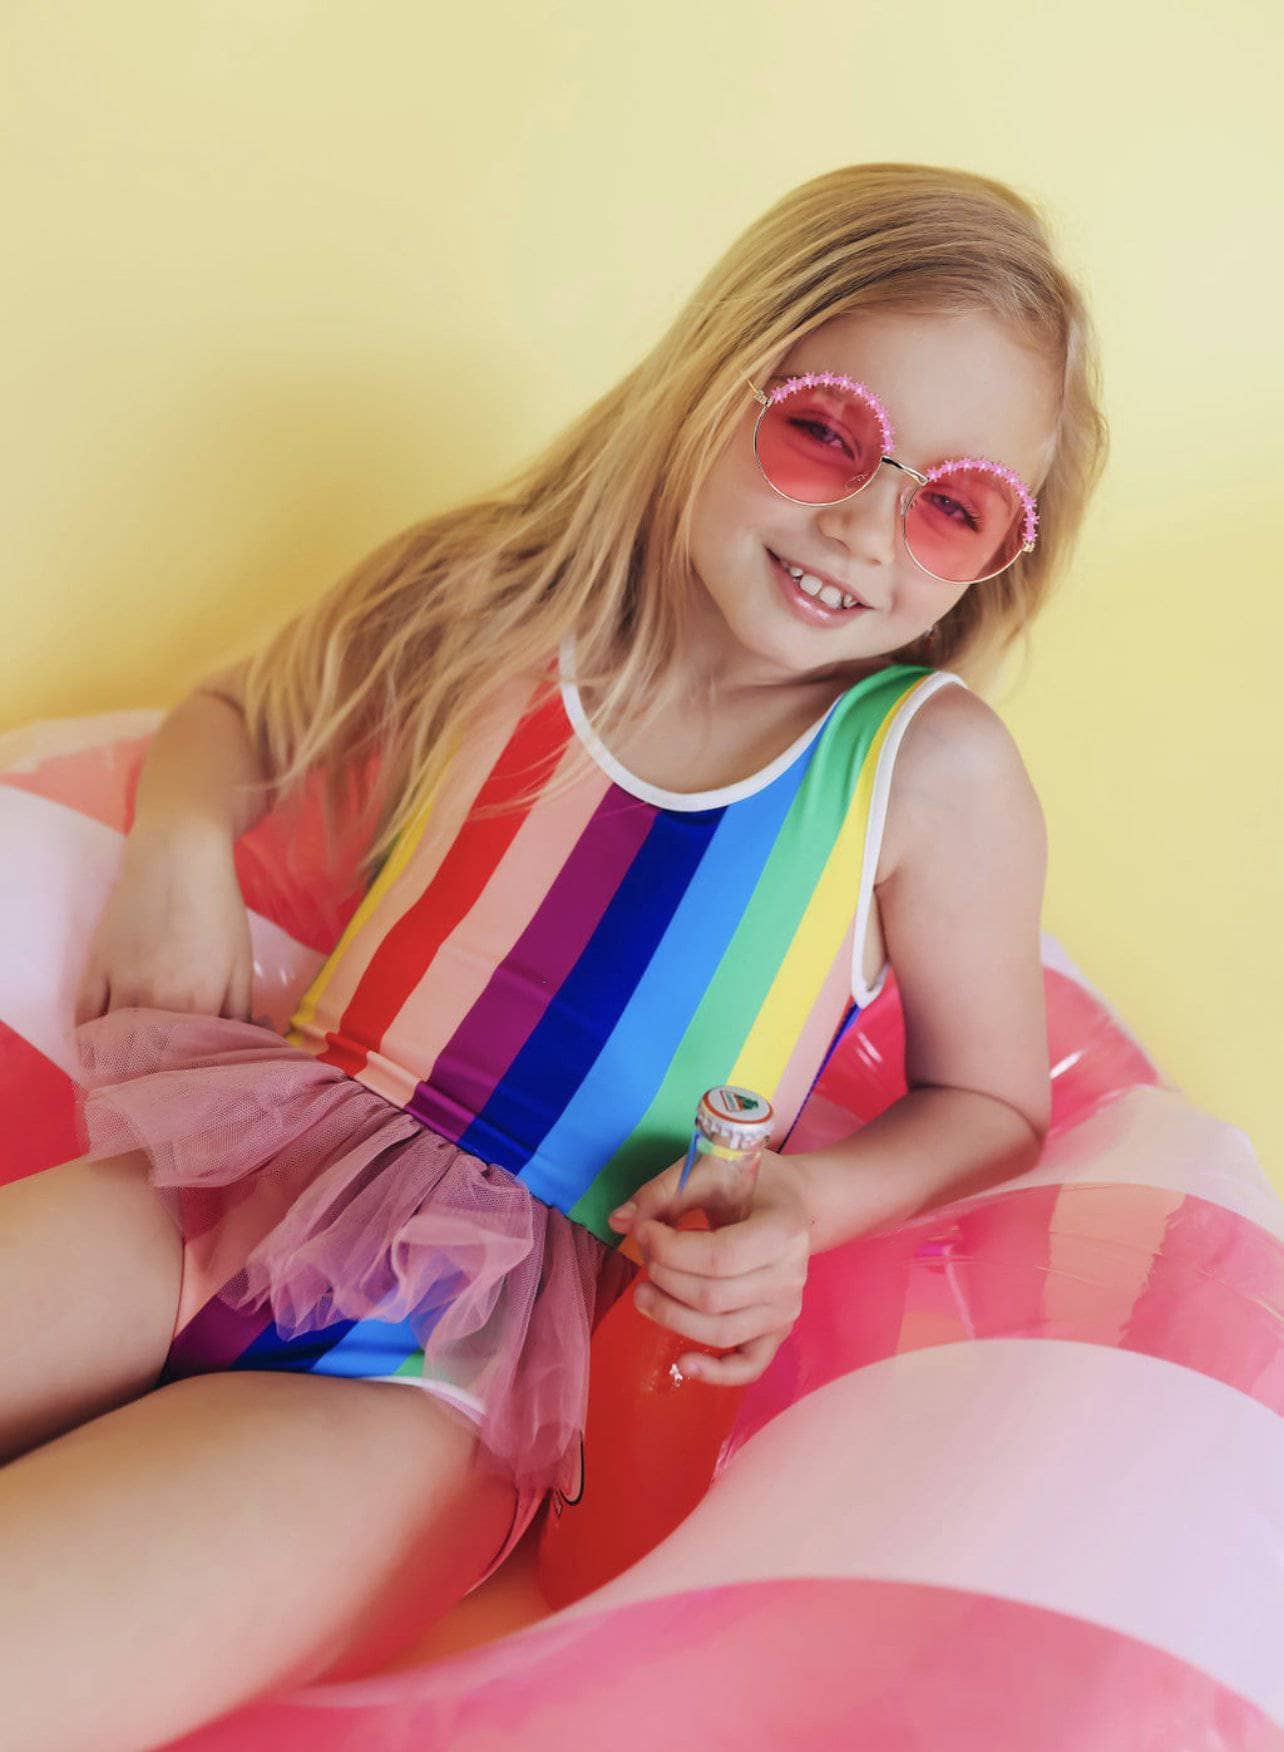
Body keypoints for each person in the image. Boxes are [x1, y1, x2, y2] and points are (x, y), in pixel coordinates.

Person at [0, 160, 1108, 1746]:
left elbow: (993, 1099)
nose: (867, 524)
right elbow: (242, 713)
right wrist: (179, 848)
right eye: (824, 429)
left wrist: (815, 1198)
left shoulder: (926, 776)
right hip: (231, 1179)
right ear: (716, 379)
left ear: (1001, 547)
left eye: (953, 504)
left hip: (454, 1370)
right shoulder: (508, 595)